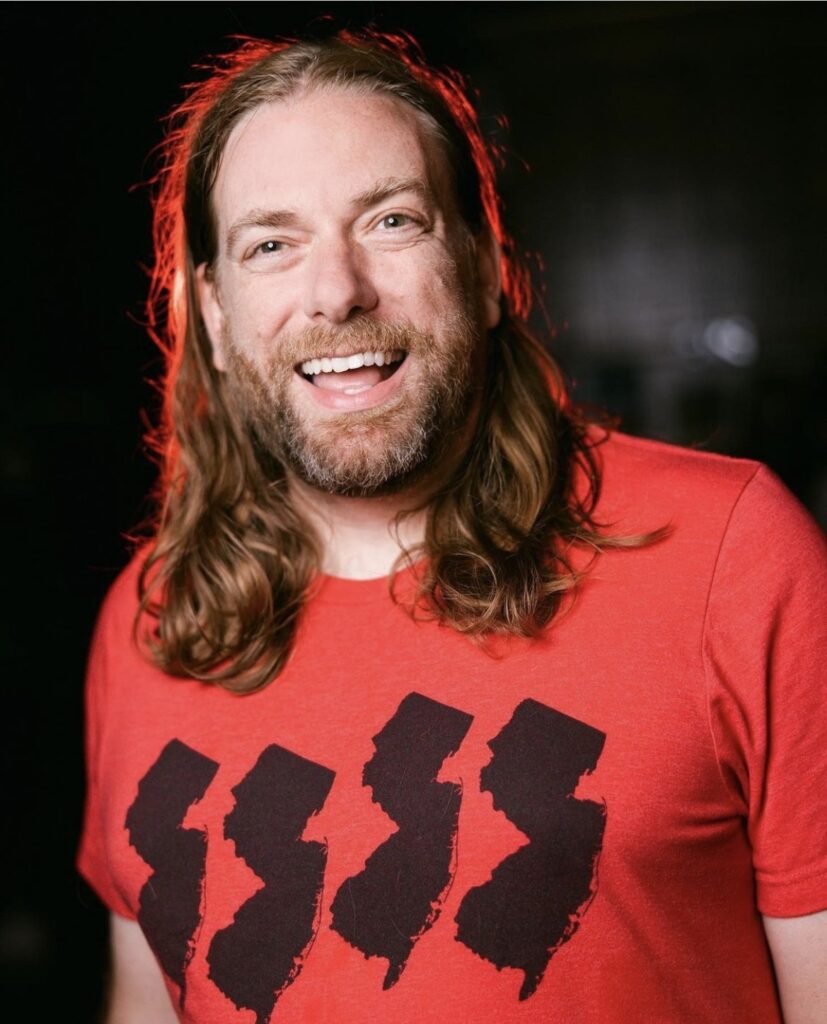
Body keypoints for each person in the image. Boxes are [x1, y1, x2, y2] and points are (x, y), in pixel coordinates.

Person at [78, 29, 827, 1024]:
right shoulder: (146, 621)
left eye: (390, 221)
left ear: (482, 268)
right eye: (271, 245)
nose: (336, 291)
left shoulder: (731, 553)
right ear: (213, 315)